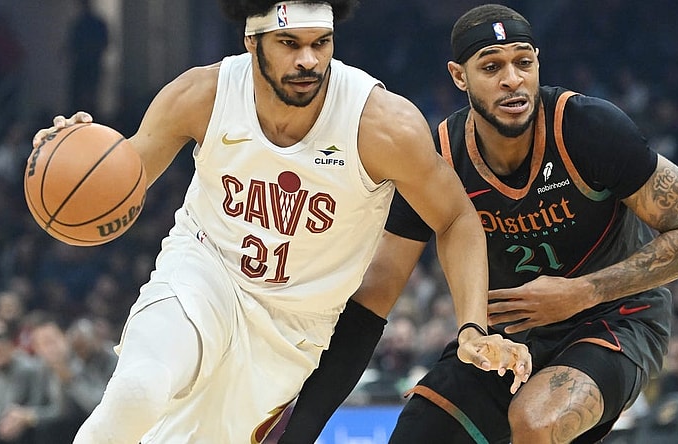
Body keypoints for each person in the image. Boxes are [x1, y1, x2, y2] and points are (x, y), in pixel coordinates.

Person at [30, 1, 531, 442]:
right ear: (252, 42)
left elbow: (456, 217)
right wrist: (76, 154)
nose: (308, 60)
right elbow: (123, 180)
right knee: (138, 389)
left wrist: (471, 326)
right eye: (289, 43)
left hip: (292, 329)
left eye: (321, 43)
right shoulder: (202, 93)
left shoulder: (381, 125)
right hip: (204, 272)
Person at [278, 3, 678, 443]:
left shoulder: (588, 128)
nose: (513, 80)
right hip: (503, 336)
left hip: (614, 318)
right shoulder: (438, 158)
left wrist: (584, 292)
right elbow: (376, 293)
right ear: (459, 76)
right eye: (491, 67)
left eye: (523, 63)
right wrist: (301, 429)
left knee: (537, 421)